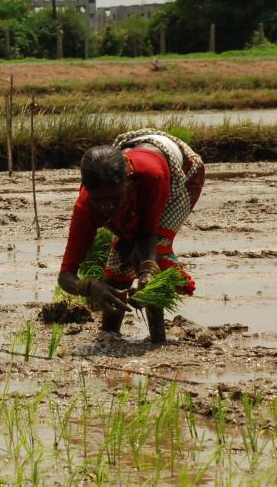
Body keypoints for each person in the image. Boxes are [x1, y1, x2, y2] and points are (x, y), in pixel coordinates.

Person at [56, 128, 205, 344]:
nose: (108, 207)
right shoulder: (85, 206)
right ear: (88, 191)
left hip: (180, 173)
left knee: (157, 251)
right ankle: (109, 336)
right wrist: (90, 287)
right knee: (119, 261)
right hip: (137, 163)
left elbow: (147, 233)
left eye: (115, 198)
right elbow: (66, 275)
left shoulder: (149, 177)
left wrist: (146, 272)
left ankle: (158, 340)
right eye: (100, 201)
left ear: (127, 181)